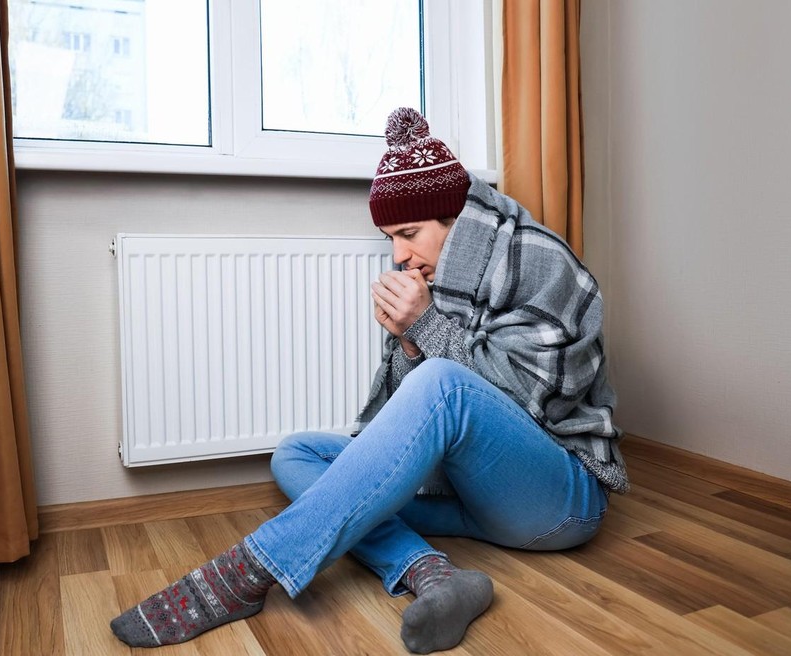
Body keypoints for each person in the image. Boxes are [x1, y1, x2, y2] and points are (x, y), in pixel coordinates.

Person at [110, 107, 628, 654]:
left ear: (459, 218)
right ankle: (430, 573)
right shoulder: (431, 273)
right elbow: (413, 421)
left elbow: (529, 403)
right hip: (469, 498)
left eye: (409, 233)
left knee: (443, 383)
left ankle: (247, 572)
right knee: (296, 453)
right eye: (390, 237)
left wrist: (427, 327)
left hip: (559, 499)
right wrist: (410, 342)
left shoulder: (540, 260)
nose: (399, 255)